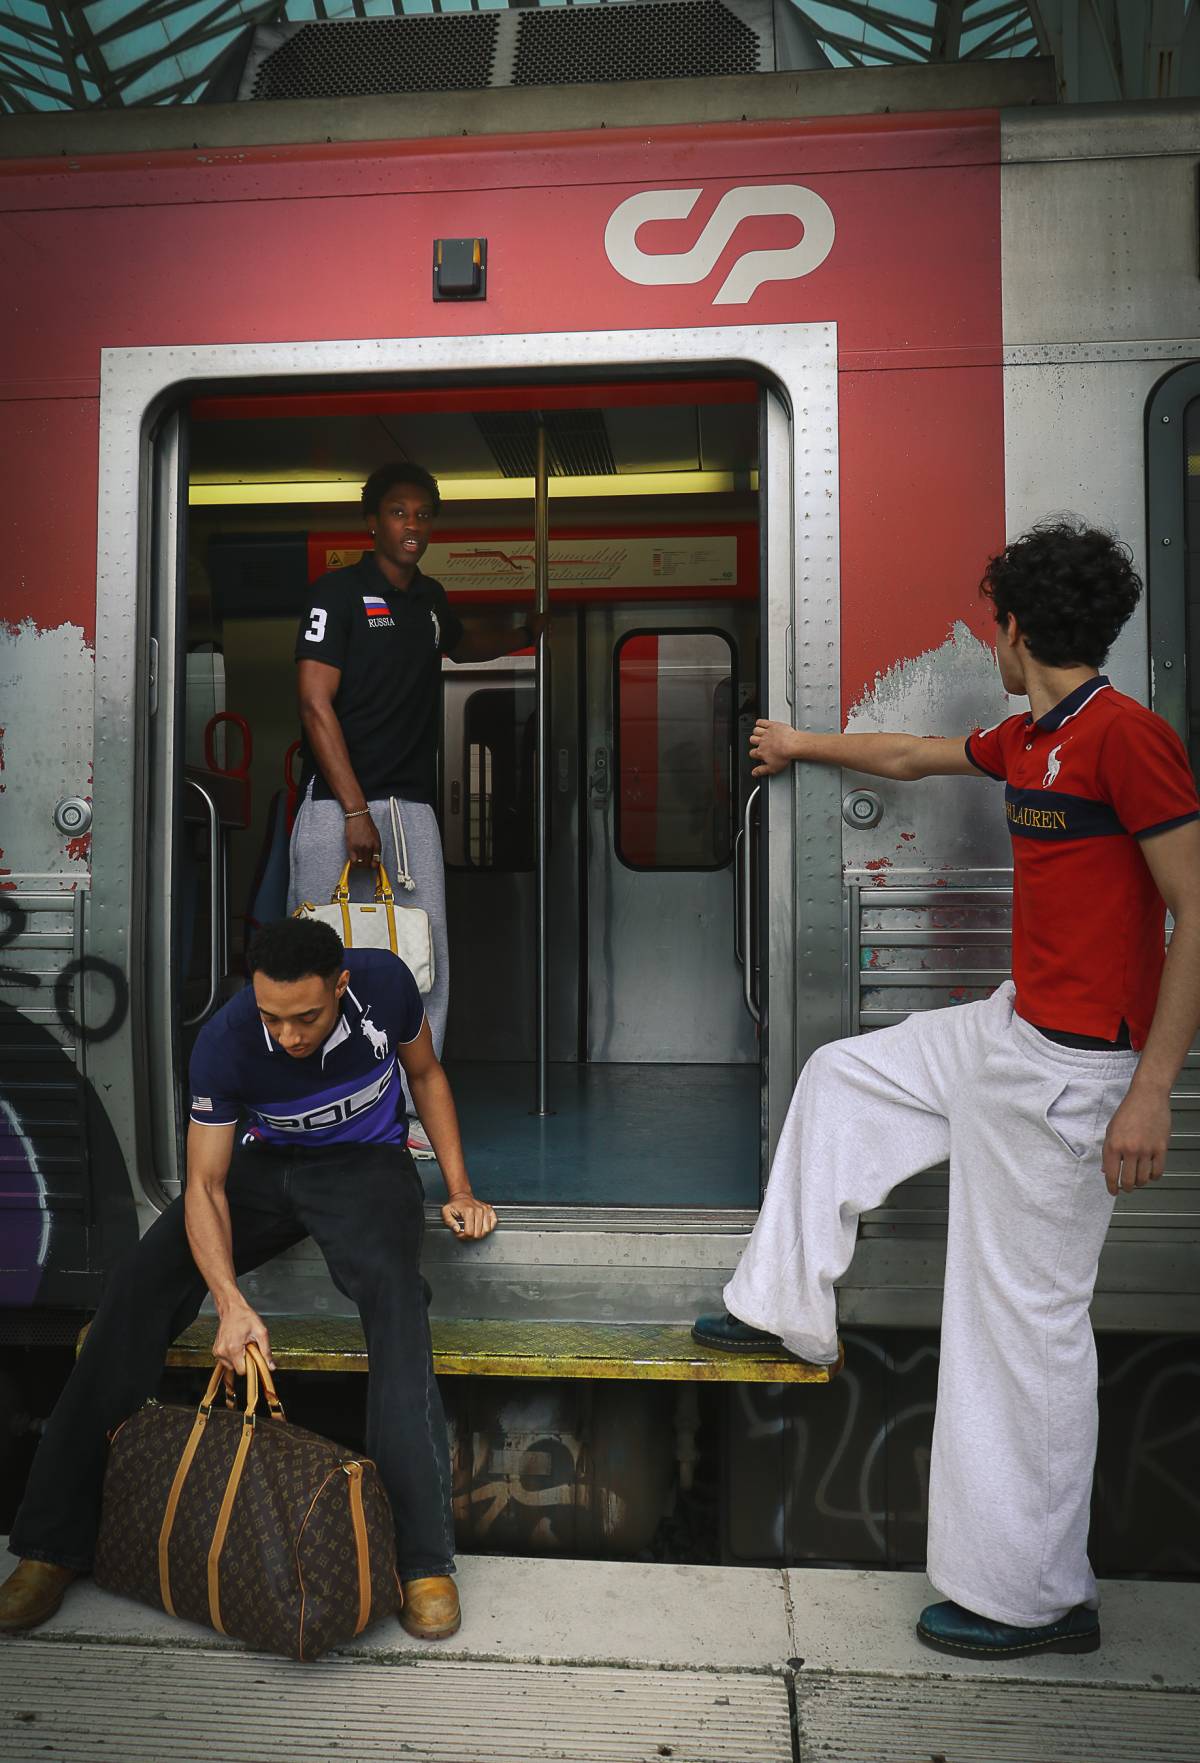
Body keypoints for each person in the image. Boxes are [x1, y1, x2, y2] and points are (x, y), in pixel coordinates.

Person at [694, 521, 1200, 1659]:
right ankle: (783, 1303)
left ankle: (1037, 1595)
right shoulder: (1036, 732)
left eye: (994, 625)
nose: (992, 640)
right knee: (844, 1075)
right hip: (1013, 1028)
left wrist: (1152, 1090)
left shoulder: (1130, 741)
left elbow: (1199, 909)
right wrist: (800, 743)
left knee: (1022, 1326)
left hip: (1077, 1075)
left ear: (1016, 628)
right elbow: (916, 758)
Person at [0, 917, 496, 1642]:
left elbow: (424, 1073)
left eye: (308, 1017)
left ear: (341, 985)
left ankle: (421, 1559)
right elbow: (204, 1184)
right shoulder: (228, 1039)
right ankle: (49, 1545)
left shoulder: (386, 984)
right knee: (140, 1279)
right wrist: (230, 1303)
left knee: (395, 1291)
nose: (291, 1036)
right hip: (263, 1172)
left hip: (365, 1167)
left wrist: (458, 1186)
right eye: (274, 1018)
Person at [288, 461, 540, 1156]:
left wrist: (525, 632)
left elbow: (463, 644)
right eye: (400, 513)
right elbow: (314, 704)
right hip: (339, 806)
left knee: (420, 960)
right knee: (316, 955)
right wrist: (352, 807)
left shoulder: (429, 599)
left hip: (412, 809)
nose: (413, 525)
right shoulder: (336, 594)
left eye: (424, 514)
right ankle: (316, 1101)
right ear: (372, 521)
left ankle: (403, 1109)